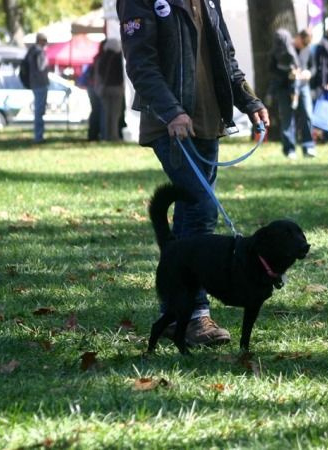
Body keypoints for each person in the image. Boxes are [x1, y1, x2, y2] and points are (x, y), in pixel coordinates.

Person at [118, 0, 269, 347]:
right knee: (201, 209)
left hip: (207, 121)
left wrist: (250, 101)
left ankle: (177, 313)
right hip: (171, 125)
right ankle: (196, 314)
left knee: (193, 215)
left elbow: (225, 55)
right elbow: (141, 64)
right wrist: (171, 111)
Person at [270, 29, 316, 159]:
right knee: (287, 118)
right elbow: (272, 69)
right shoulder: (281, 48)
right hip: (284, 88)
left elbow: (313, 67)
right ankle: (289, 149)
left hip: (303, 87)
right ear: (298, 38)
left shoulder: (307, 49)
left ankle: (308, 146)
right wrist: (287, 74)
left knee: (307, 114)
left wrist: (309, 73)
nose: (303, 46)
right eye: (303, 43)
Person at [97, 39, 125, 141]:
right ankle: (114, 136)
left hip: (105, 88)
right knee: (115, 114)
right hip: (117, 88)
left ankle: (105, 135)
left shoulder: (102, 57)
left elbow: (99, 73)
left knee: (106, 113)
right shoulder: (118, 57)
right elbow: (122, 74)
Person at [24, 33, 49, 143]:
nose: (46, 42)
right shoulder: (39, 53)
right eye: (44, 40)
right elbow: (42, 67)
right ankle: (38, 136)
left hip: (34, 83)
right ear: (40, 40)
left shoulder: (31, 52)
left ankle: (38, 135)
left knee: (38, 110)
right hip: (40, 83)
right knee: (39, 111)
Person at [78, 40, 106, 141]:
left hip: (92, 87)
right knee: (98, 110)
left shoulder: (97, 57)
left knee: (95, 110)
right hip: (96, 87)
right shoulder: (102, 58)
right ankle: (94, 134)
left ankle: (93, 134)